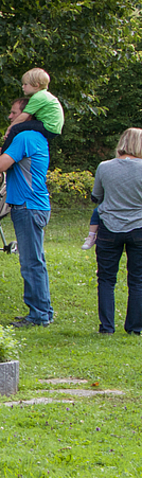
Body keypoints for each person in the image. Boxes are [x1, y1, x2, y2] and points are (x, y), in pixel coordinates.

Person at [0, 98, 55, 328]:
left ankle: (38, 314)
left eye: (14, 112)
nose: (11, 117)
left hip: (27, 206)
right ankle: (43, 310)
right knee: (36, 260)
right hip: (35, 205)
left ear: (28, 115)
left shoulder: (24, 137)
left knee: (31, 262)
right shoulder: (38, 137)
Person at [91, 128, 142, 335]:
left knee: (106, 278)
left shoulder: (105, 167)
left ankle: (107, 327)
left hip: (109, 226)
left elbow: (97, 196)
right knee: (138, 279)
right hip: (139, 226)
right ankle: (135, 328)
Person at [4, 67, 64, 147]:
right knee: (24, 127)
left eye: (25, 84)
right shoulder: (45, 95)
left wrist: (10, 128)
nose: (22, 87)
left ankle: (4, 152)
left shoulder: (38, 97)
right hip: (54, 128)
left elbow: (23, 117)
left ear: (36, 85)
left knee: (15, 128)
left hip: (48, 127)